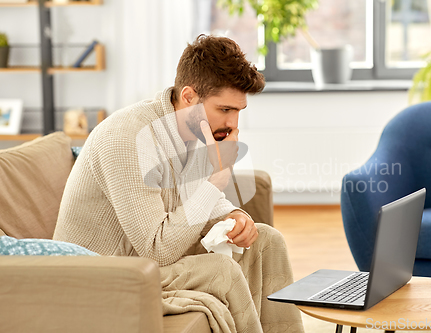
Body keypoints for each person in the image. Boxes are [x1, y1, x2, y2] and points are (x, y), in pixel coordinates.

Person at [53, 34, 304, 333]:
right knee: (221, 270)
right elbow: (156, 250)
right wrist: (217, 180)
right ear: (188, 97)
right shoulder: (128, 139)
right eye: (225, 109)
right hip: (102, 275)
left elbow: (196, 196)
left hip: (143, 260)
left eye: (238, 111)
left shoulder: (195, 129)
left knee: (267, 241)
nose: (234, 124)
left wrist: (233, 215)